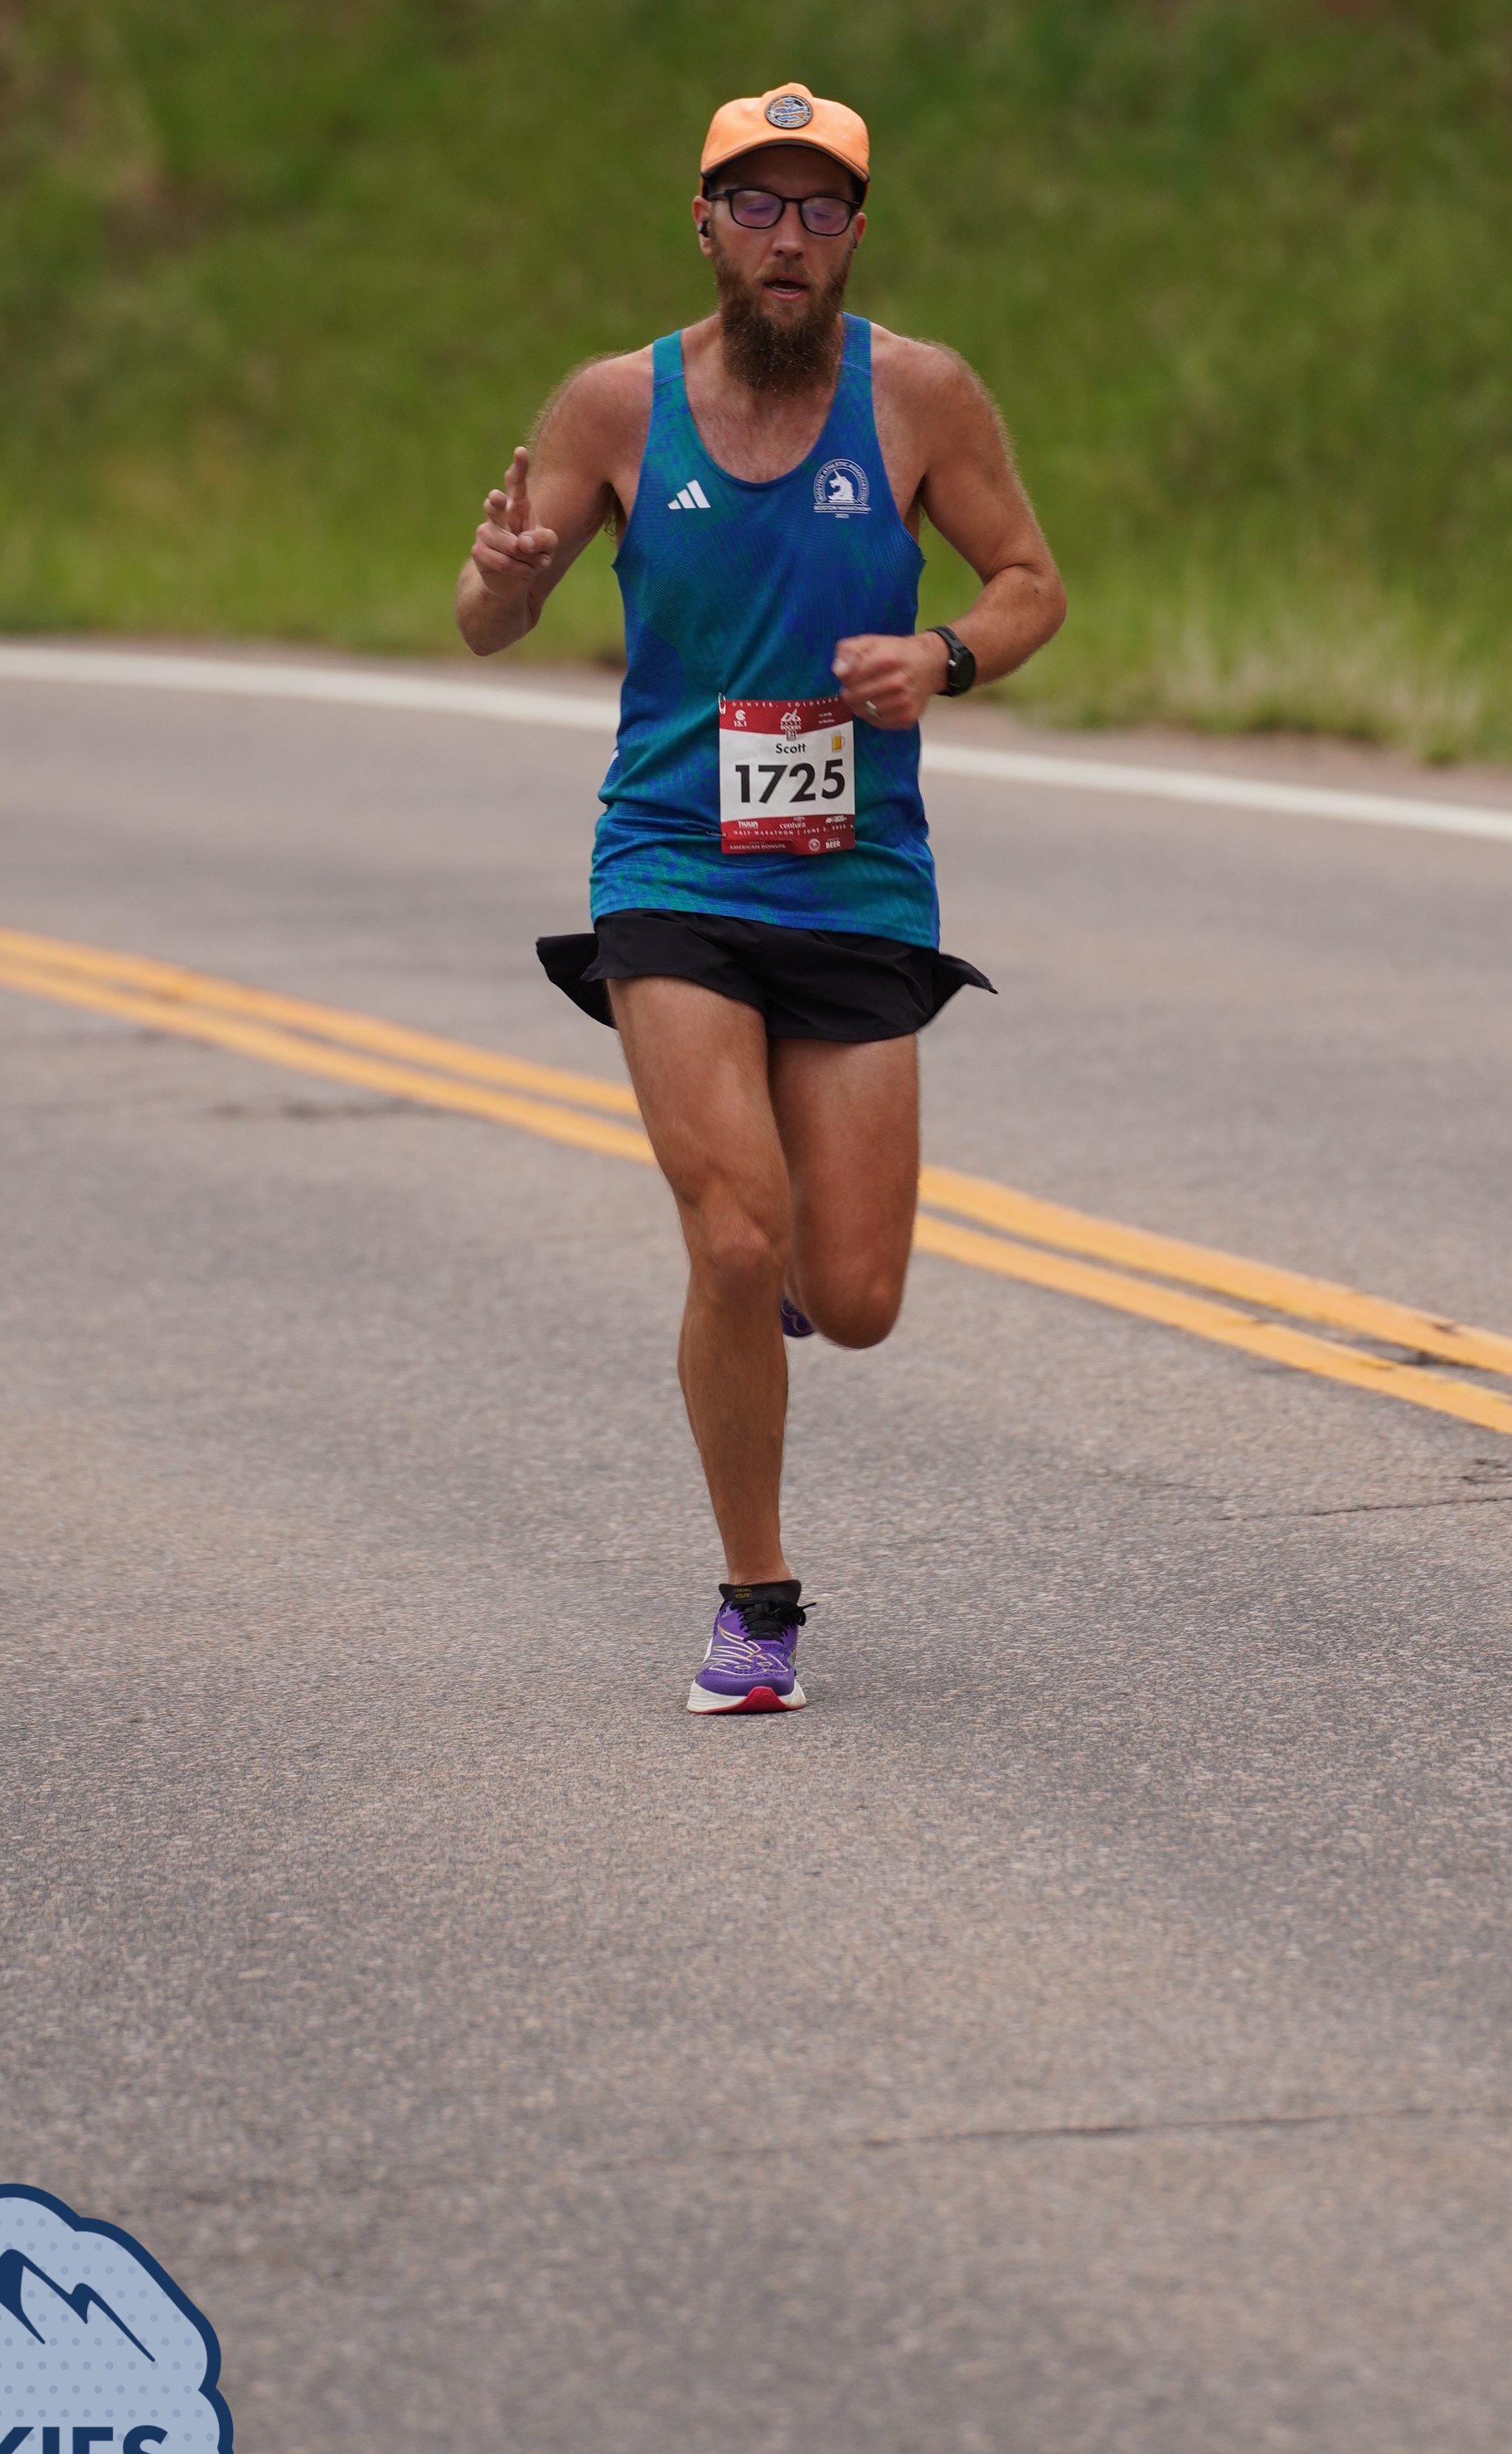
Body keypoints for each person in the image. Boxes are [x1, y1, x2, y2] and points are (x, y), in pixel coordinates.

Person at [453, 84, 1066, 1713]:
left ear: (854, 236)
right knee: (730, 1236)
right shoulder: (616, 408)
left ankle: (794, 1269)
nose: (787, 237)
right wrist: (503, 585)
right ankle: (756, 1604)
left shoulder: (919, 397)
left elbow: (1032, 584)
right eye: (756, 205)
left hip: (855, 871)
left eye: (819, 210)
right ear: (705, 224)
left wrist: (943, 656)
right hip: (671, 860)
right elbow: (486, 613)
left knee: (853, 1301)